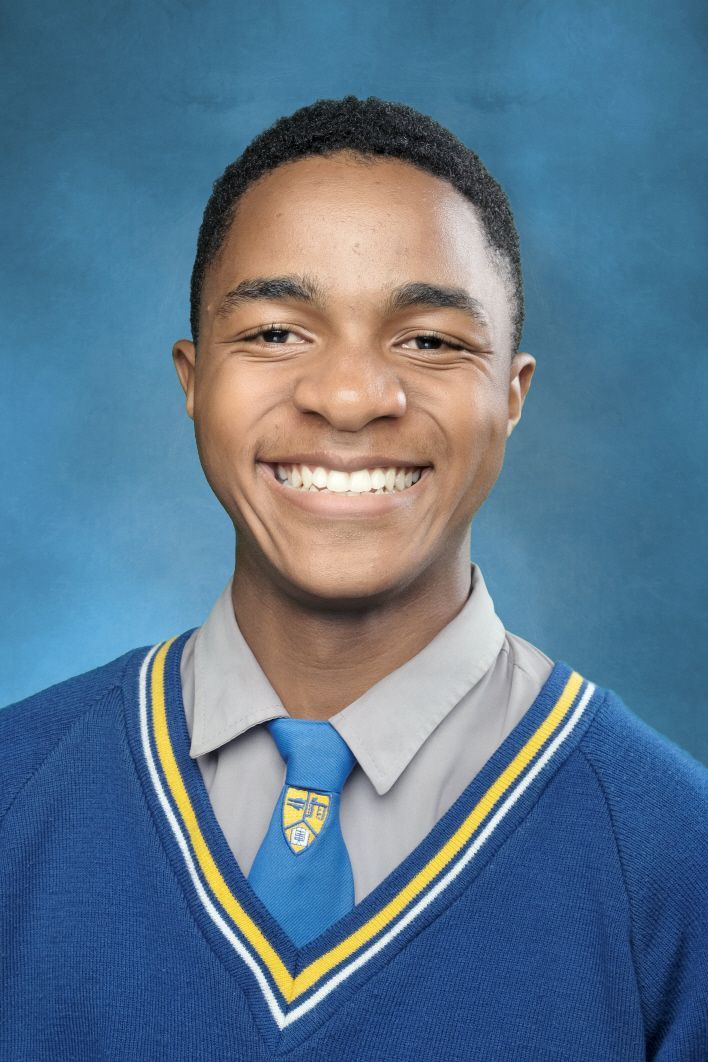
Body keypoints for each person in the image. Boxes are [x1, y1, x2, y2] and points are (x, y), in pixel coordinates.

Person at [1, 95, 706, 1061]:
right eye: (275, 332)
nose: (348, 397)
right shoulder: (17, 793)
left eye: (429, 340)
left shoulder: (674, 860)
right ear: (193, 380)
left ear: (512, 394)